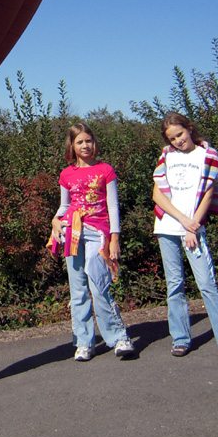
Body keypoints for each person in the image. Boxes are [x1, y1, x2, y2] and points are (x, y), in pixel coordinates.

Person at [152, 112, 218, 362]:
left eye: (180, 134)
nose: (178, 141)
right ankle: (180, 339)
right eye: (172, 138)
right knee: (175, 285)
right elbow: (157, 195)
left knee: (207, 284)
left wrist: (192, 227)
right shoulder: (167, 156)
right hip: (168, 227)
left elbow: (208, 194)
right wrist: (184, 222)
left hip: (194, 229)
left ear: (189, 129)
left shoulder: (208, 155)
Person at [48, 122, 135, 361]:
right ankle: (84, 342)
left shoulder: (105, 170)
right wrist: (55, 220)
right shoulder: (66, 174)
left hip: (98, 233)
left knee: (99, 285)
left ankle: (119, 338)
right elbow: (65, 205)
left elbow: (113, 206)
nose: (84, 145)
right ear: (72, 145)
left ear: (93, 142)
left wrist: (115, 238)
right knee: (78, 291)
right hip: (72, 232)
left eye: (88, 140)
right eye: (79, 142)